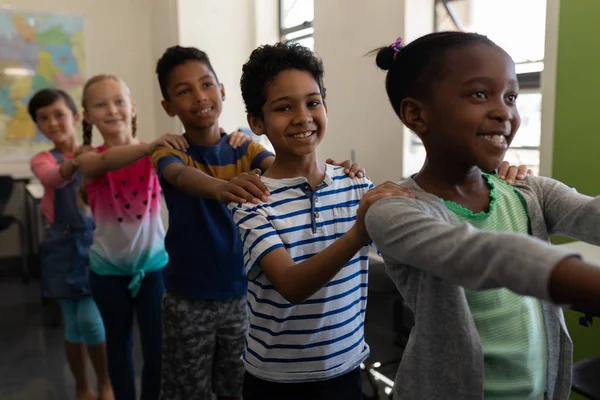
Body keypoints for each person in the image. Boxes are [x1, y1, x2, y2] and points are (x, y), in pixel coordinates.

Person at [229, 42, 528, 399]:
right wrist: (358, 233)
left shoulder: (356, 184)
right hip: (276, 379)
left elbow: (426, 226)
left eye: (313, 102)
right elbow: (291, 285)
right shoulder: (252, 199)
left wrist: (489, 179)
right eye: (283, 108)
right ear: (256, 122)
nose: (302, 117)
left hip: (345, 367)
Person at [364, 31, 600, 400]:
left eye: (511, 97)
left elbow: (590, 215)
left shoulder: (528, 192)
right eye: (479, 94)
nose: (504, 111)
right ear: (416, 114)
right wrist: (584, 283)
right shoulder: (395, 207)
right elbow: (480, 255)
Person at [151, 45, 365, 400]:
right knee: (186, 388)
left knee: (233, 385)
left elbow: (286, 161)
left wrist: (340, 176)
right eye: (184, 90)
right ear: (168, 105)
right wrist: (225, 188)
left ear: (221, 91)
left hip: (240, 292)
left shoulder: (244, 146)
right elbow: (182, 177)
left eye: (206, 85)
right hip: (189, 294)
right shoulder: (170, 148)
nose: (199, 97)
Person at [73, 74, 190, 400]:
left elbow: (193, 160)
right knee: (119, 348)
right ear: (88, 116)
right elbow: (101, 164)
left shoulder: (154, 154)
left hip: (153, 270)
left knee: (157, 352)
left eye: (119, 101)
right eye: (100, 104)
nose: (112, 110)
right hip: (107, 274)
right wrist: (150, 147)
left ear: (132, 108)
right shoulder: (87, 158)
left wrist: (235, 140)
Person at [28, 88, 113, 400]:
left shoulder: (98, 153)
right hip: (60, 248)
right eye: (43, 118)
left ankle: (105, 383)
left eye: (59, 115)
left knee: (91, 321)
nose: (52, 123)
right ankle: (82, 386)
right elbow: (53, 178)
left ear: (76, 117)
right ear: (38, 125)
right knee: (73, 324)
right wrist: (78, 162)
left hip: (95, 243)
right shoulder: (42, 159)